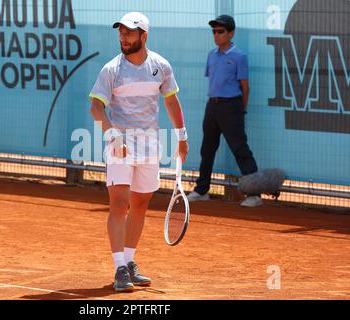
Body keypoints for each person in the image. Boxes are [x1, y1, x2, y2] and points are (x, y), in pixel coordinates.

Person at [89, 12, 189, 292]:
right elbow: (96, 106)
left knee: (141, 205)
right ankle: (119, 267)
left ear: (143, 36)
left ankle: (130, 262)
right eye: (121, 32)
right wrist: (112, 134)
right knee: (119, 203)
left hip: (150, 147)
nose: (123, 36)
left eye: (130, 32)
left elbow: (171, 101)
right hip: (119, 146)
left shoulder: (160, 66)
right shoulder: (111, 69)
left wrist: (182, 135)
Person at [187, 15, 262, 207]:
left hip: (232, 107)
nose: (216, 35)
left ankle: (254, 195)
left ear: (231, 33)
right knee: (207, 149)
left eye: (220, 32)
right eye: (214, 32)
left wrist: (240, 111)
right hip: (212, 106)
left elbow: (245, 87)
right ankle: (202, 190)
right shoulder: (212, 55)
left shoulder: (239, 57)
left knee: (240, 148)